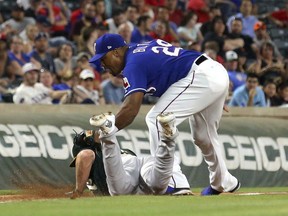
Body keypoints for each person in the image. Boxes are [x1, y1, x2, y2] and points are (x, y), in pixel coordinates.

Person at [89, 33, 240, 195]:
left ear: (116, 53)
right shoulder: (142, 49)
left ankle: (173, 180)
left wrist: (106, 132)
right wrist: (210, 92)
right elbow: (174, 64)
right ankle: (223, 181)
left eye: (103, 59)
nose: (102, 65)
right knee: (204, 136)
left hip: (201, 77)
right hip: (212, 72)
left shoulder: (133, 64)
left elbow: (131, 109)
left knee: (155, 119)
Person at [68, 112, 192, 198]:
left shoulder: (91, 155)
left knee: (119, 192)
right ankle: (168, 137)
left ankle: (108, 134)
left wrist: (78, 191)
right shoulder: (114, 154)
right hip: (140, 164)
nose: (79, 164)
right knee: (157, 185)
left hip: (126, 171)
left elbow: (85, 155)